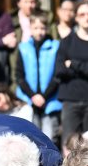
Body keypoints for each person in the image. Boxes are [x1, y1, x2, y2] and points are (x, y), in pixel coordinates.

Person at [54, 0, 88, 138]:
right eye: (82, 14)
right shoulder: (67, 41)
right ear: (76, 17)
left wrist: (73, 63)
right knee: (69, 146)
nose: (87, 17)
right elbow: (59, 70)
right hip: (70, 98)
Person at [14, 12, 62, 141]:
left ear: (47, 28)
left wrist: (44, 96)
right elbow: (19, 76)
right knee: (29, 138)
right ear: (30, 28)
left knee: (49, 137)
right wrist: (33, 96)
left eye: (42, 28)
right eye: (36, 28)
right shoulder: (23, 48)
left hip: (49, 100)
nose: (39, 32)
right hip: (29, 100)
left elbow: (58, 75)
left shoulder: (55, 47)